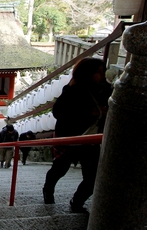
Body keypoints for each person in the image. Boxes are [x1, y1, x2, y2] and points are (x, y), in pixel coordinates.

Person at [42, 57, 112, 213]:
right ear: (87, 73)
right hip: (70, 137)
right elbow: (58, 112)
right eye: (98, 72)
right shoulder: (72, 90)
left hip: (91, 139)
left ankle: (77, 201)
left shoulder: (107, 90)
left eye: (102, 71)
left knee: (93, 176)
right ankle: (48, 189)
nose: (102, 75)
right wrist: (89, 112)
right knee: (60, 168)